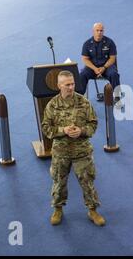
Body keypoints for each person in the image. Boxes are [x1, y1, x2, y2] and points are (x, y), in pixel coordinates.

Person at [42, 70, 106, 226]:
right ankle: (58, 209)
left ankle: (92, 210)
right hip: (61, 152)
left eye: (72, 84)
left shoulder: (83, 102)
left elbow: (93, 123)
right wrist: (62, 131)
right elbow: (46, 128)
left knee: (87, 182)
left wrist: (82, 131)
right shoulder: (52, 105)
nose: (71, 87)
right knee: (58, 182)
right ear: (59, 86)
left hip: (81, 151)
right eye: (67, 85)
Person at [79, 22, 121, 104]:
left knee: (114, 74)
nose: (99, 32)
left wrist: (104, 67)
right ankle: (79, 97)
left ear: (103, 31)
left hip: (107, 67)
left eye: (101, 31)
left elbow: (112, 58)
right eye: (97, 30)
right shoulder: (87, 44)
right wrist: (95, 68)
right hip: (92, 68)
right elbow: (85, 59)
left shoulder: (110, 42)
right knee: (82, 74)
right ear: (93, 31)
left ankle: (117, 97)